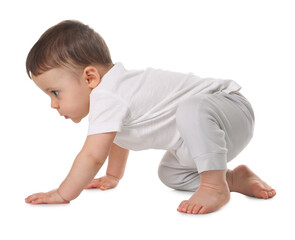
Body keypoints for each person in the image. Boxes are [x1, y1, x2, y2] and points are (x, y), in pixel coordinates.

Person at [25, 20, 276, 214]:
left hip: (230, 109)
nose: (53, 104)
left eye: (55, 92)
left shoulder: (108, 94)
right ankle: (232, 178)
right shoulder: (111, 97)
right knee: (169, 173)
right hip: (208, 137)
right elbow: (118, 137)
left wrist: (63, 194)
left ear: (90, 77)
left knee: (192, 108)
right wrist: (113, 175)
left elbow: (92, 155)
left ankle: (213, 187)